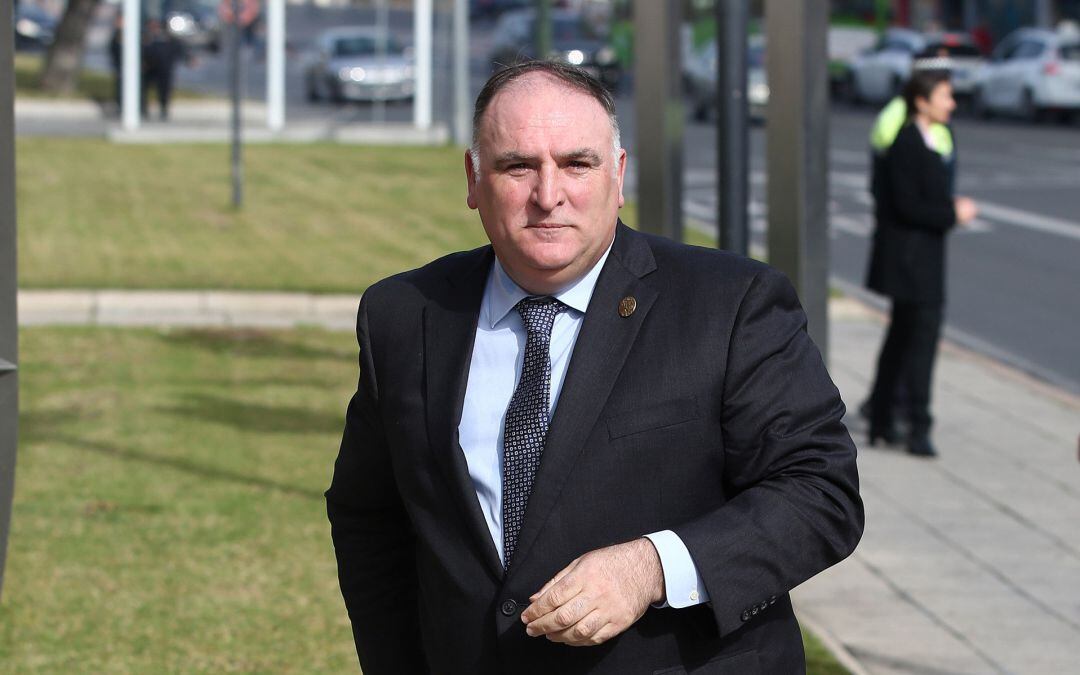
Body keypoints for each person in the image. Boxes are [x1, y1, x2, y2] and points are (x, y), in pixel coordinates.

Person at [326, 61, 863, 673]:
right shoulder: (405, 314)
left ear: (619, 174)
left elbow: (820, 492)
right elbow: (370, 516)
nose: (548, 195)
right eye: (517, 166)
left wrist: (651, 568)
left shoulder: (729, 304)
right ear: (473, 180)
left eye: (576, 164)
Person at [865, 69, 978, 458]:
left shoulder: (937, 139)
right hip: (913, 262)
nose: (952, 103)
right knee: (919, 343)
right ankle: (918, 426)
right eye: (945, 96)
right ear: (922, 101)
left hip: (920, 258)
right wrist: (953, 212)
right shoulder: (907, 143)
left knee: (901, 338)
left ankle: (882, 417)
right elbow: (908, 206)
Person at [141, 19, 188, 121]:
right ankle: (143, 109)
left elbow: (178, 50)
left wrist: (188, 60)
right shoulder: (145, 38)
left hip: (164, 69)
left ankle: (163, 110)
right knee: (143, 90)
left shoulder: (168, 39)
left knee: (164, 91)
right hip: (149, 69)